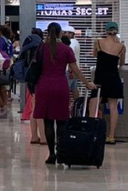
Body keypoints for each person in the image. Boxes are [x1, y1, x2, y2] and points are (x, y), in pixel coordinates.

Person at [32, 22, 94, 165]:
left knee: (47, 121)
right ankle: (61, 152)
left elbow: (35, 67)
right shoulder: (66, 49)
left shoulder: (41, 48)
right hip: (60, 85)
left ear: (47, 33)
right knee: (61, 121)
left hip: (44, 86)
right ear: (60, 33)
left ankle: (51, 154)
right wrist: (87, 83)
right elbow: (76, 71)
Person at [93, 21, 127, 144]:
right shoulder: (121, 46)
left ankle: (94, 134)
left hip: (100, 78)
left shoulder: (98, 42)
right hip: (113, 77)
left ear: (106, 31)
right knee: (113, 107)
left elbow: (94, 55)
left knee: (95, 105)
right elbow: (121, 63)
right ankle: (111, 136)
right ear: (117, 31)